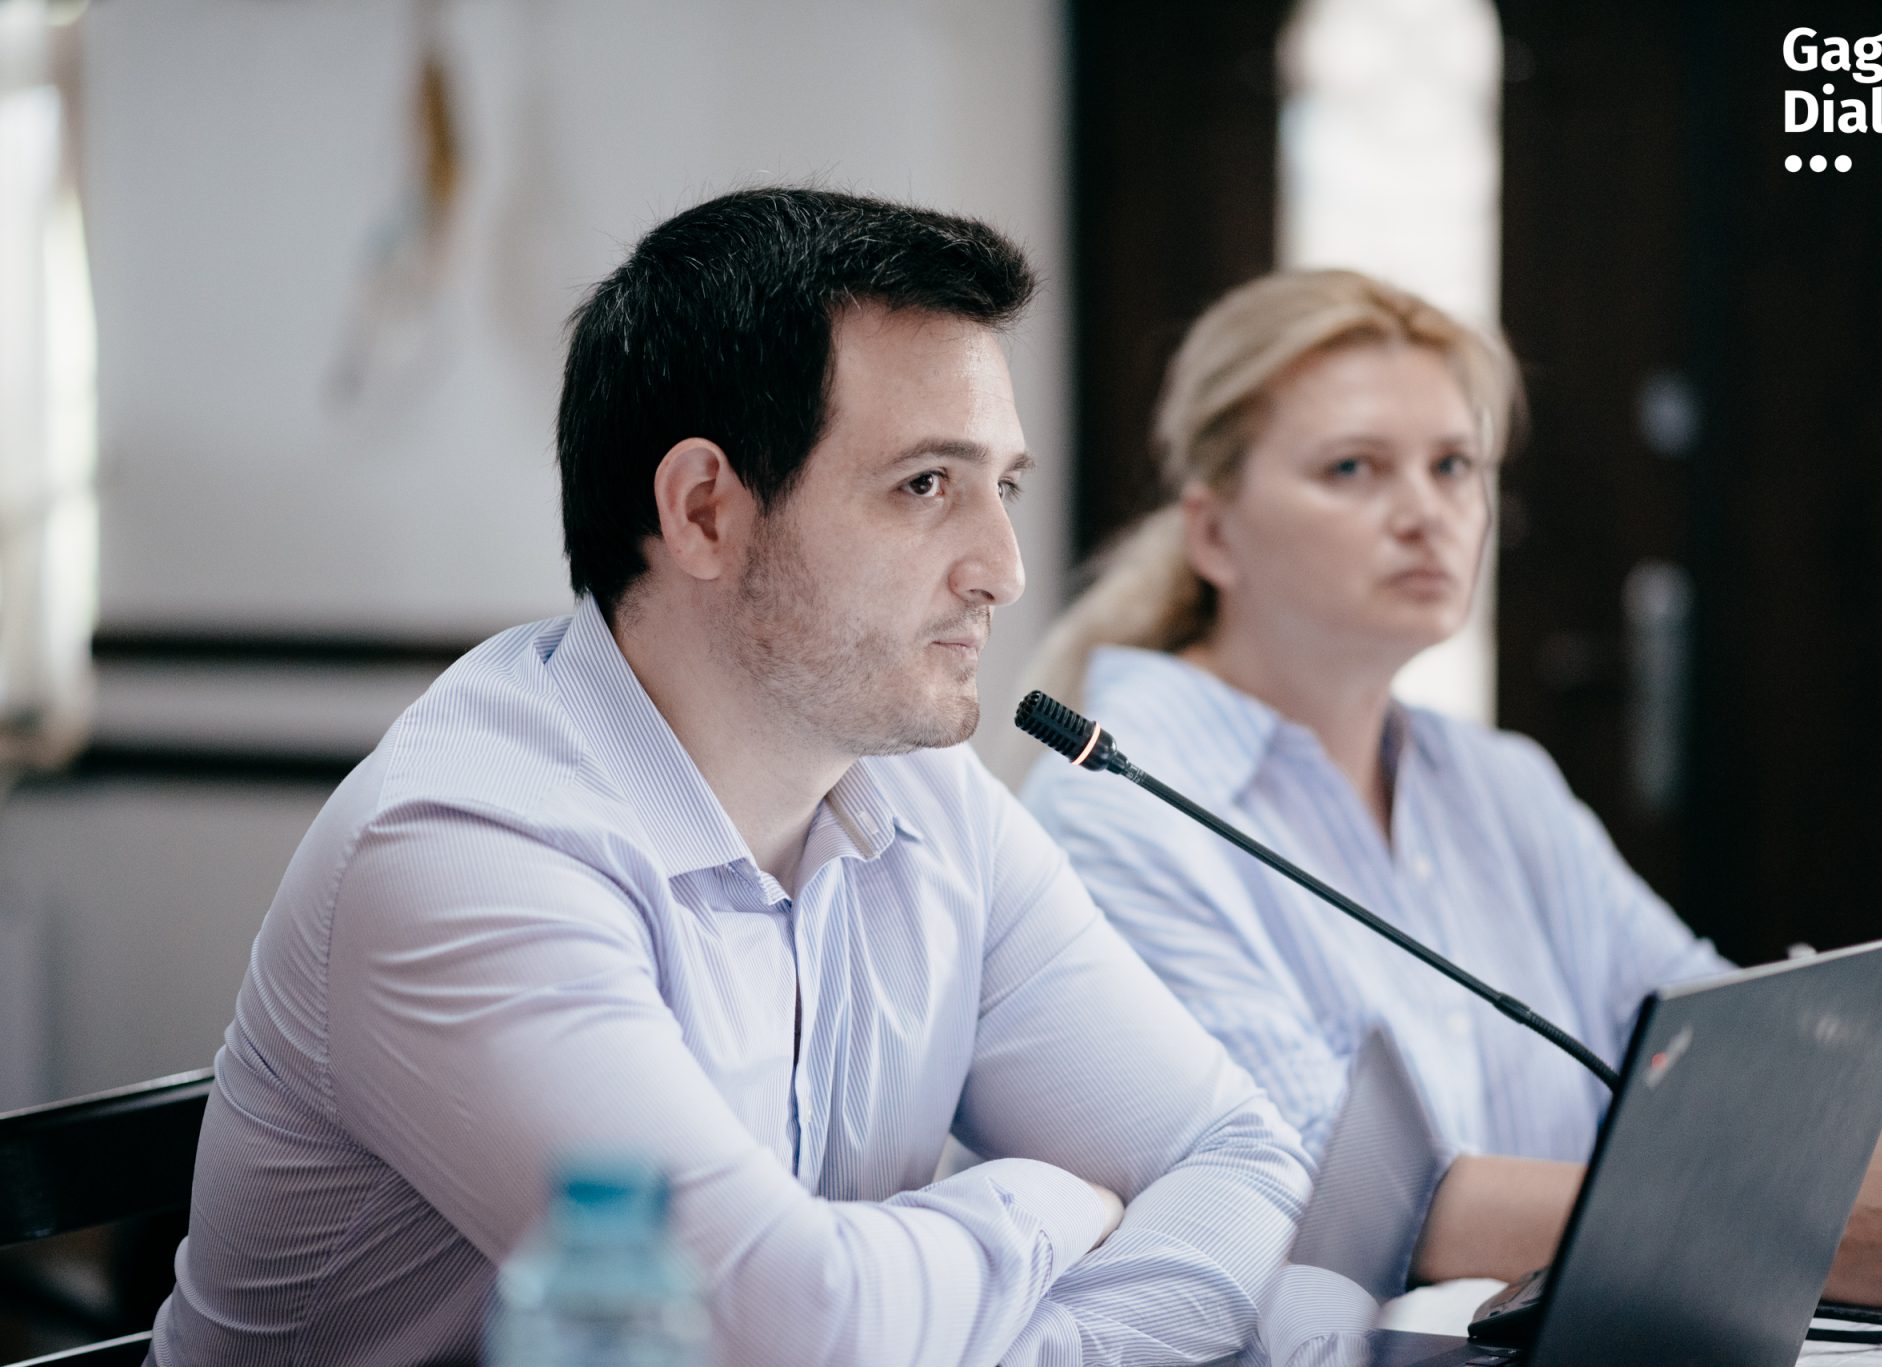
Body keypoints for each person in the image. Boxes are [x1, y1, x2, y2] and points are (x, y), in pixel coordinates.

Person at [145, 188, 1317, 1367]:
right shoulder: (462, 849)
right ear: (705, 510)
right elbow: (783, 1328)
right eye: (925, 484)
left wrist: (1035, 1345)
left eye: (999, 486)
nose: (1002, 569)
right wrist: (1050, 1199)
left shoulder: (927, 797)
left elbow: (1241, 1156)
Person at [1018, 267, 1882, 1314]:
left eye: (1453, 465)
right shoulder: (1116, 805)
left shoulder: (1499, 783)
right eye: (1352, 467)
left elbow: (1721, 1061)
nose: (1424, 512)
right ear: (1212, 533)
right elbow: (1330, 1196)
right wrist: (1800, 1231)